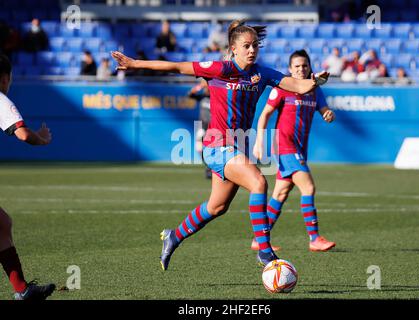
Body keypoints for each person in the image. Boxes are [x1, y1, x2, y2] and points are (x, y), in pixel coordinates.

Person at [111, 20, 329, 270]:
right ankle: (265, 252)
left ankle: (174, 236)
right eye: (246, 46)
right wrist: (135, 63)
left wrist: (316, 81)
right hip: (217, 146)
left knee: (217, 206)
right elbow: (175, 65)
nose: (252, 50)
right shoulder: (218, 69)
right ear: (233, 49)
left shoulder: (262, 73)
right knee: (259, 182)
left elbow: (298, 85)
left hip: (238, 146)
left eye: (255, 45)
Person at [253, 49, 336, 253]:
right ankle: (314, 238)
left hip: (300, 148)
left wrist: (328, 115)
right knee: (308, 188)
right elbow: (265, 114)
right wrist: (259, 141)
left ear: (309, 68)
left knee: (280, 193)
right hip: (285, 145)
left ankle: (259, 239)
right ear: (290, 69)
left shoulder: (315, 90)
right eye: (297, 66)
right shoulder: (283, 88)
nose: (301, 69)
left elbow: (325, 110)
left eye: (304, 66)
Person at [0, 53, 55, 300]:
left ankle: (22, 290)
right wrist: (42, 139)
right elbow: (22, 133)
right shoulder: (1, 100)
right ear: (4, 78)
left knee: (2, 225)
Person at [188, 80, 212, 179]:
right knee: (199, 147)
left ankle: (212, 167)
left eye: (207, 87)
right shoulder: (202, 96)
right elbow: (190, 95)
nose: (206, 89)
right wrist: (198, 87)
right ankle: (208, 165)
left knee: (212, 147)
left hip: (213, 126)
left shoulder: (216, 97)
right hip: (202, 125)